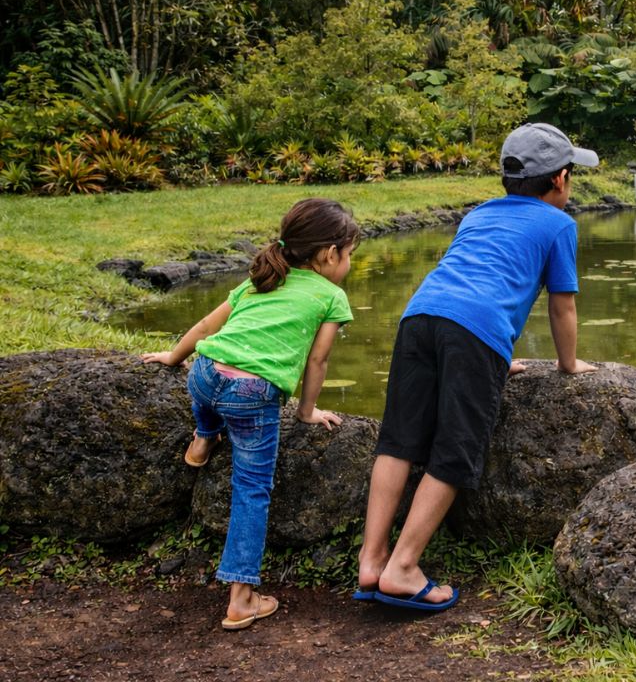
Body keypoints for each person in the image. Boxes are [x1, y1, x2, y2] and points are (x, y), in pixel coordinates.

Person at [355, 123, 598, 611]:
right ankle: (404, 569)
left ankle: (372, 559)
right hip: (474, 332)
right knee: (455, 450)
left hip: (420, 316)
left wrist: (495, 360)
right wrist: (568, 365)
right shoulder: (559, 226)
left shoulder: (478, 213)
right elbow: (561, 306)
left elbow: (475, 274)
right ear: (561, 179)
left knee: (399, 439)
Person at [143, 197, 359, 630]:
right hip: (252, 395)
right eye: (350, 255)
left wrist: (173, 356)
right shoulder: (331, 296)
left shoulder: (260, 278)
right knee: (252, 490)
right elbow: (317, 363)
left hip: (203, 375)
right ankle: (241, 598)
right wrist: (306, 411)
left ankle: (203, 438)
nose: (349, 264)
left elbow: (207, 327)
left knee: (208, 396)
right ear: (330, 254)